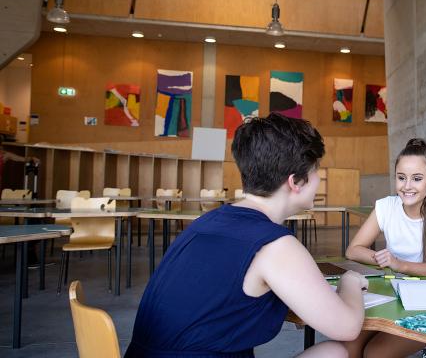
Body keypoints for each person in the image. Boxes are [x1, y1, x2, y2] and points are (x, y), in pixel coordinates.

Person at [125, 113, 366, 358]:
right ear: (295, 182)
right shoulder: (275, 245)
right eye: (316, 171)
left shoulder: (205, 222)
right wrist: (350, 281)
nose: (317, 179)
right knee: (336, 353)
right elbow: (347, 327)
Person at [344, 138, 426, 358]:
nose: (407, 186)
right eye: (401, 178)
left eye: (417, 179)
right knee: (349, 345)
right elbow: (353, 250)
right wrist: (383, 258)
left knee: (375, 353)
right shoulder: (386, 206)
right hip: (392, 297)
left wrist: (399, 264)